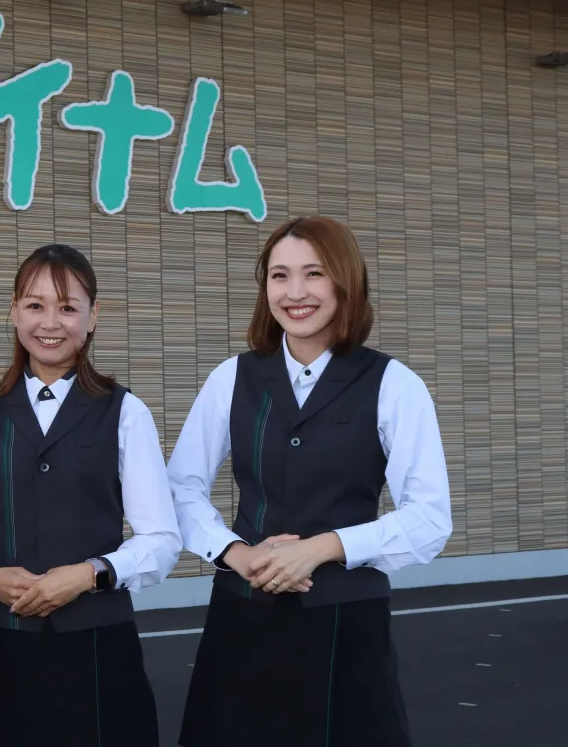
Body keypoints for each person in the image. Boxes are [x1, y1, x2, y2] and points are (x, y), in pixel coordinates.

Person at [167, 215, 452, 746]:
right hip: (243, 615)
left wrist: (323, 548)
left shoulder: (394, 384)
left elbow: (430, 519)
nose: (295, 292)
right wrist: (236, 553)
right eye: (280, 275)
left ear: (346, 282)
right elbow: (179, 488)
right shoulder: (231, 378)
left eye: (314, 273)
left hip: (349, 625)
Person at [0, 243, 183, 747]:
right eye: (35, 305)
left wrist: (90, 574)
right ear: (14, 312)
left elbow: (160, 538)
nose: (50, 322)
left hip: (98, 643)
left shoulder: (126, 412)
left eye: (67, 307)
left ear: (92, 317)